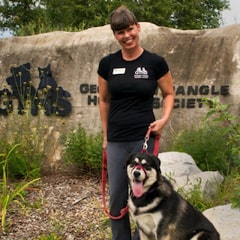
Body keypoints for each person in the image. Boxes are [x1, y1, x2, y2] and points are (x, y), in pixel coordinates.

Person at [97, 6, 174, 240]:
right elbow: (103, 99)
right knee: (118, 198)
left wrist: (163, 119)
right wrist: (105, 136)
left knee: (145, 196)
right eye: (120, 32)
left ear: (138, 28)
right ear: (114, 35)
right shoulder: (107, 64)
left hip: (145, 139)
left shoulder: (155, 62)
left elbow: (168, 94)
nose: (126, 36)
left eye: (130, 29)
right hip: (117, 140)